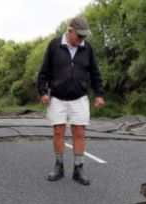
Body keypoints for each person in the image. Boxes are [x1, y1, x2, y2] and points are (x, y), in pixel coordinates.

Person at [37, 15, 104, 186]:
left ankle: (78, 168)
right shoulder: (54, 45)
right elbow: (44, 71)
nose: (82, 39)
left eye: (84, 36)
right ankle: (59, 166)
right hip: (58, 97)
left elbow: (95, 73)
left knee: (79, 131)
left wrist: (99, 94)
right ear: (70, 30)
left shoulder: (87, 49)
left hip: (79, 97)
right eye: (79, 35)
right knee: (58, 130)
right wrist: (42, 91)